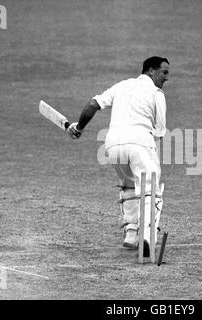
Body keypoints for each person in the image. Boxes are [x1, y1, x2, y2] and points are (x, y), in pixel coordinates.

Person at [67, 56, 170, 256]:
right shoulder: (156, 93)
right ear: (151, 71)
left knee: (129, 184)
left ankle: (131, 234)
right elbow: (159, 131)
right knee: (151, 189)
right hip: (140, 142)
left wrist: (79, 127)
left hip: (112, 145)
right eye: (164, 73)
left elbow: (93, 104)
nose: (166, 78)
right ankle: (147, 237)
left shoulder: (121, 86)